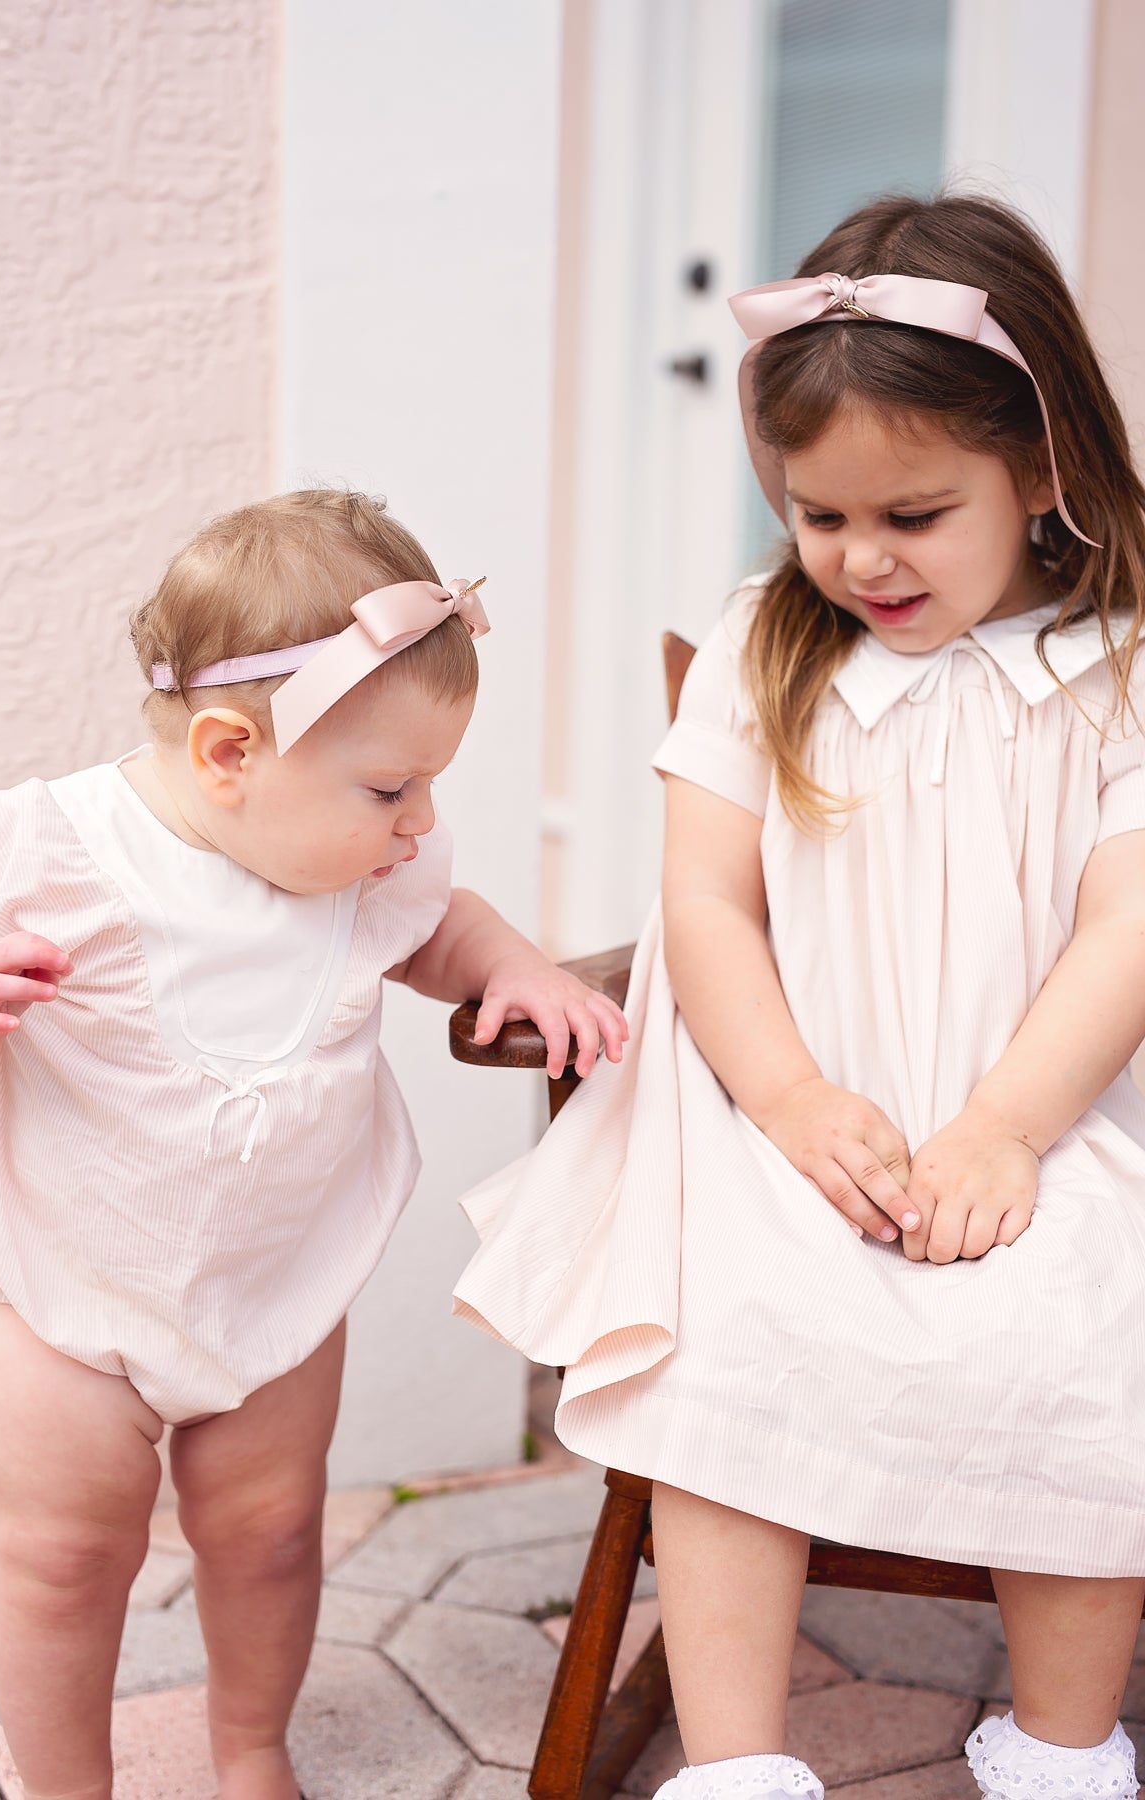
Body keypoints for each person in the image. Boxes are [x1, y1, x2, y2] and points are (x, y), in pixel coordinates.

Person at [453, 194, 1145, 1800]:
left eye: (912, 512)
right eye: (819, 515)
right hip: (789, 1112)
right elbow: (705, 899)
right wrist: (790, 1103)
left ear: (1041, 469)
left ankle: (1059, 1750)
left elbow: (1126, 924)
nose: (860, 559)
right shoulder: (779, 641)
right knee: (725, 1341)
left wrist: (1003, 1129)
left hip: (1041, 1108)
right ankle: (742, 1766)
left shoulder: (1118, 667)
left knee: (1085, 1329)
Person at [0, 487, 627, 1800]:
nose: (418, 821)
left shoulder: (359, 866)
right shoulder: (42, 847)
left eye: (429, 783)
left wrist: (517, 966)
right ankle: (66, 1786)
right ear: (224, 754)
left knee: (265, 1529)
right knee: (64, 1557)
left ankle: (250, 1747)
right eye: (391, 785)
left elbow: (442, 925)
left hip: (276, 1288)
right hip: (60, 1292)